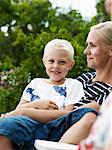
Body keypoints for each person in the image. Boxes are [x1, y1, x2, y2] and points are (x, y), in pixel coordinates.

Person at [0, 21, 112, 150]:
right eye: (87, 45)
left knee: (90, 112)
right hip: (37, 127)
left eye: (92, 45)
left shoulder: (109, 94)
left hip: (58, 138)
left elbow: (76, 115)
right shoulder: (83, 79)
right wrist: (25, 110)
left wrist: (23, 111)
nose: (86, 51)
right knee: (5, 129)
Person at [1, 38, 84, 119]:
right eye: (51, 61)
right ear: (44, 62)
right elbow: (18, 110)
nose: (55, 66)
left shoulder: (73, 85)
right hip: (23, 122)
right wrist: (36, 104)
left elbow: (68, 115)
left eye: (62, 62)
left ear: (70, 64)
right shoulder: (35, 83)